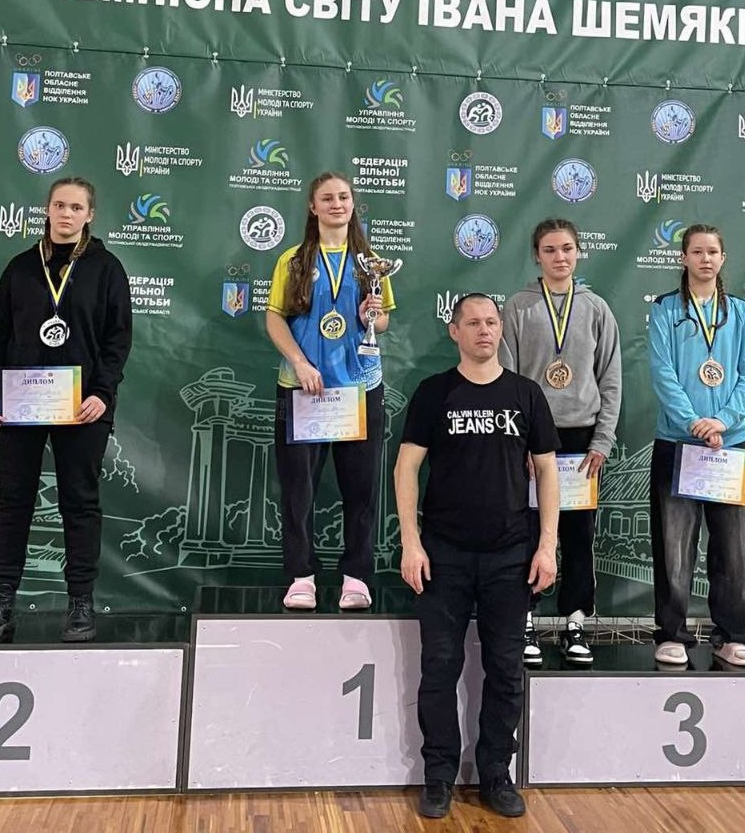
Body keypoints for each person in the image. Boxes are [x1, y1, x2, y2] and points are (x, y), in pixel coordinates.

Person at [394, 293, 559, 819]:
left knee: (505, 669)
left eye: (491, 322)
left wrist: (547, 545)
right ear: (455, 332)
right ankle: (439, 775)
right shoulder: (433, 392)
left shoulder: (527, 394)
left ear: (501, 329)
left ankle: (495, 775)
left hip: (512, 555)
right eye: (473, 323)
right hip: (443, 554)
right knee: (439, 667)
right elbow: (405, 469)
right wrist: (411, 542)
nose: (484, 330)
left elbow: (548, 471)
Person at [0, 176, 132, 642]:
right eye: (59, 205)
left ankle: (80, 605)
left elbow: (117, 339)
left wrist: (102, 393)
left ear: (90, 215)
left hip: (82, 406)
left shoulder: (106, 269)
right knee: (12, 502)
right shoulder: (21, 268)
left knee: (79, 502)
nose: (66, 214)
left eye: (76, 207)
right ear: (47, 210)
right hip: (19, 403)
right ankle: (2, 603)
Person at [266, 171, 395, 611]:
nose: (336, 204)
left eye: (343, 196)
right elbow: (274, 318)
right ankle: (300, 575)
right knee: (298, 490)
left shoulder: (371, 262)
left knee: (361, 490)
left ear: (353, 204)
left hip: (359, 389)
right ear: (313, 206)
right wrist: (300, 363)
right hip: (303, 388)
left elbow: (382, 322)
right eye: (327, 198)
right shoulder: (292, 261)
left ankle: (356, 577)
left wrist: (369, 315)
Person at [500, 219, 621, 666]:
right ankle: (525, 619)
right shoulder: (518, 307)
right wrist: (518, 443)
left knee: (578, 535)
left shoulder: (596, 308)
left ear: (578, 252)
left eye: (567, 248)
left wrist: (602, 441)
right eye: (550, 250)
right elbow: (507, 380)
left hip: (582, 440)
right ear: (537, 255)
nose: (560, 257)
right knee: (527, 532)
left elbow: (611, 379)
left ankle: (575, 623)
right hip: (532, 439)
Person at [648, 223, 745, 667]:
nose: (705, 259)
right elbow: (662, 373)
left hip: (730, 445)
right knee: (673, 549)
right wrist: (694, 422)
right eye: (696, 252)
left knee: (736, 549)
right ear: (683, 258)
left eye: (712, 252)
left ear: (723, 258)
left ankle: (733, 635)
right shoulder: (665, 311)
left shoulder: (741, 313)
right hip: (678, 442)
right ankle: (672, 633)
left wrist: (723, 421)